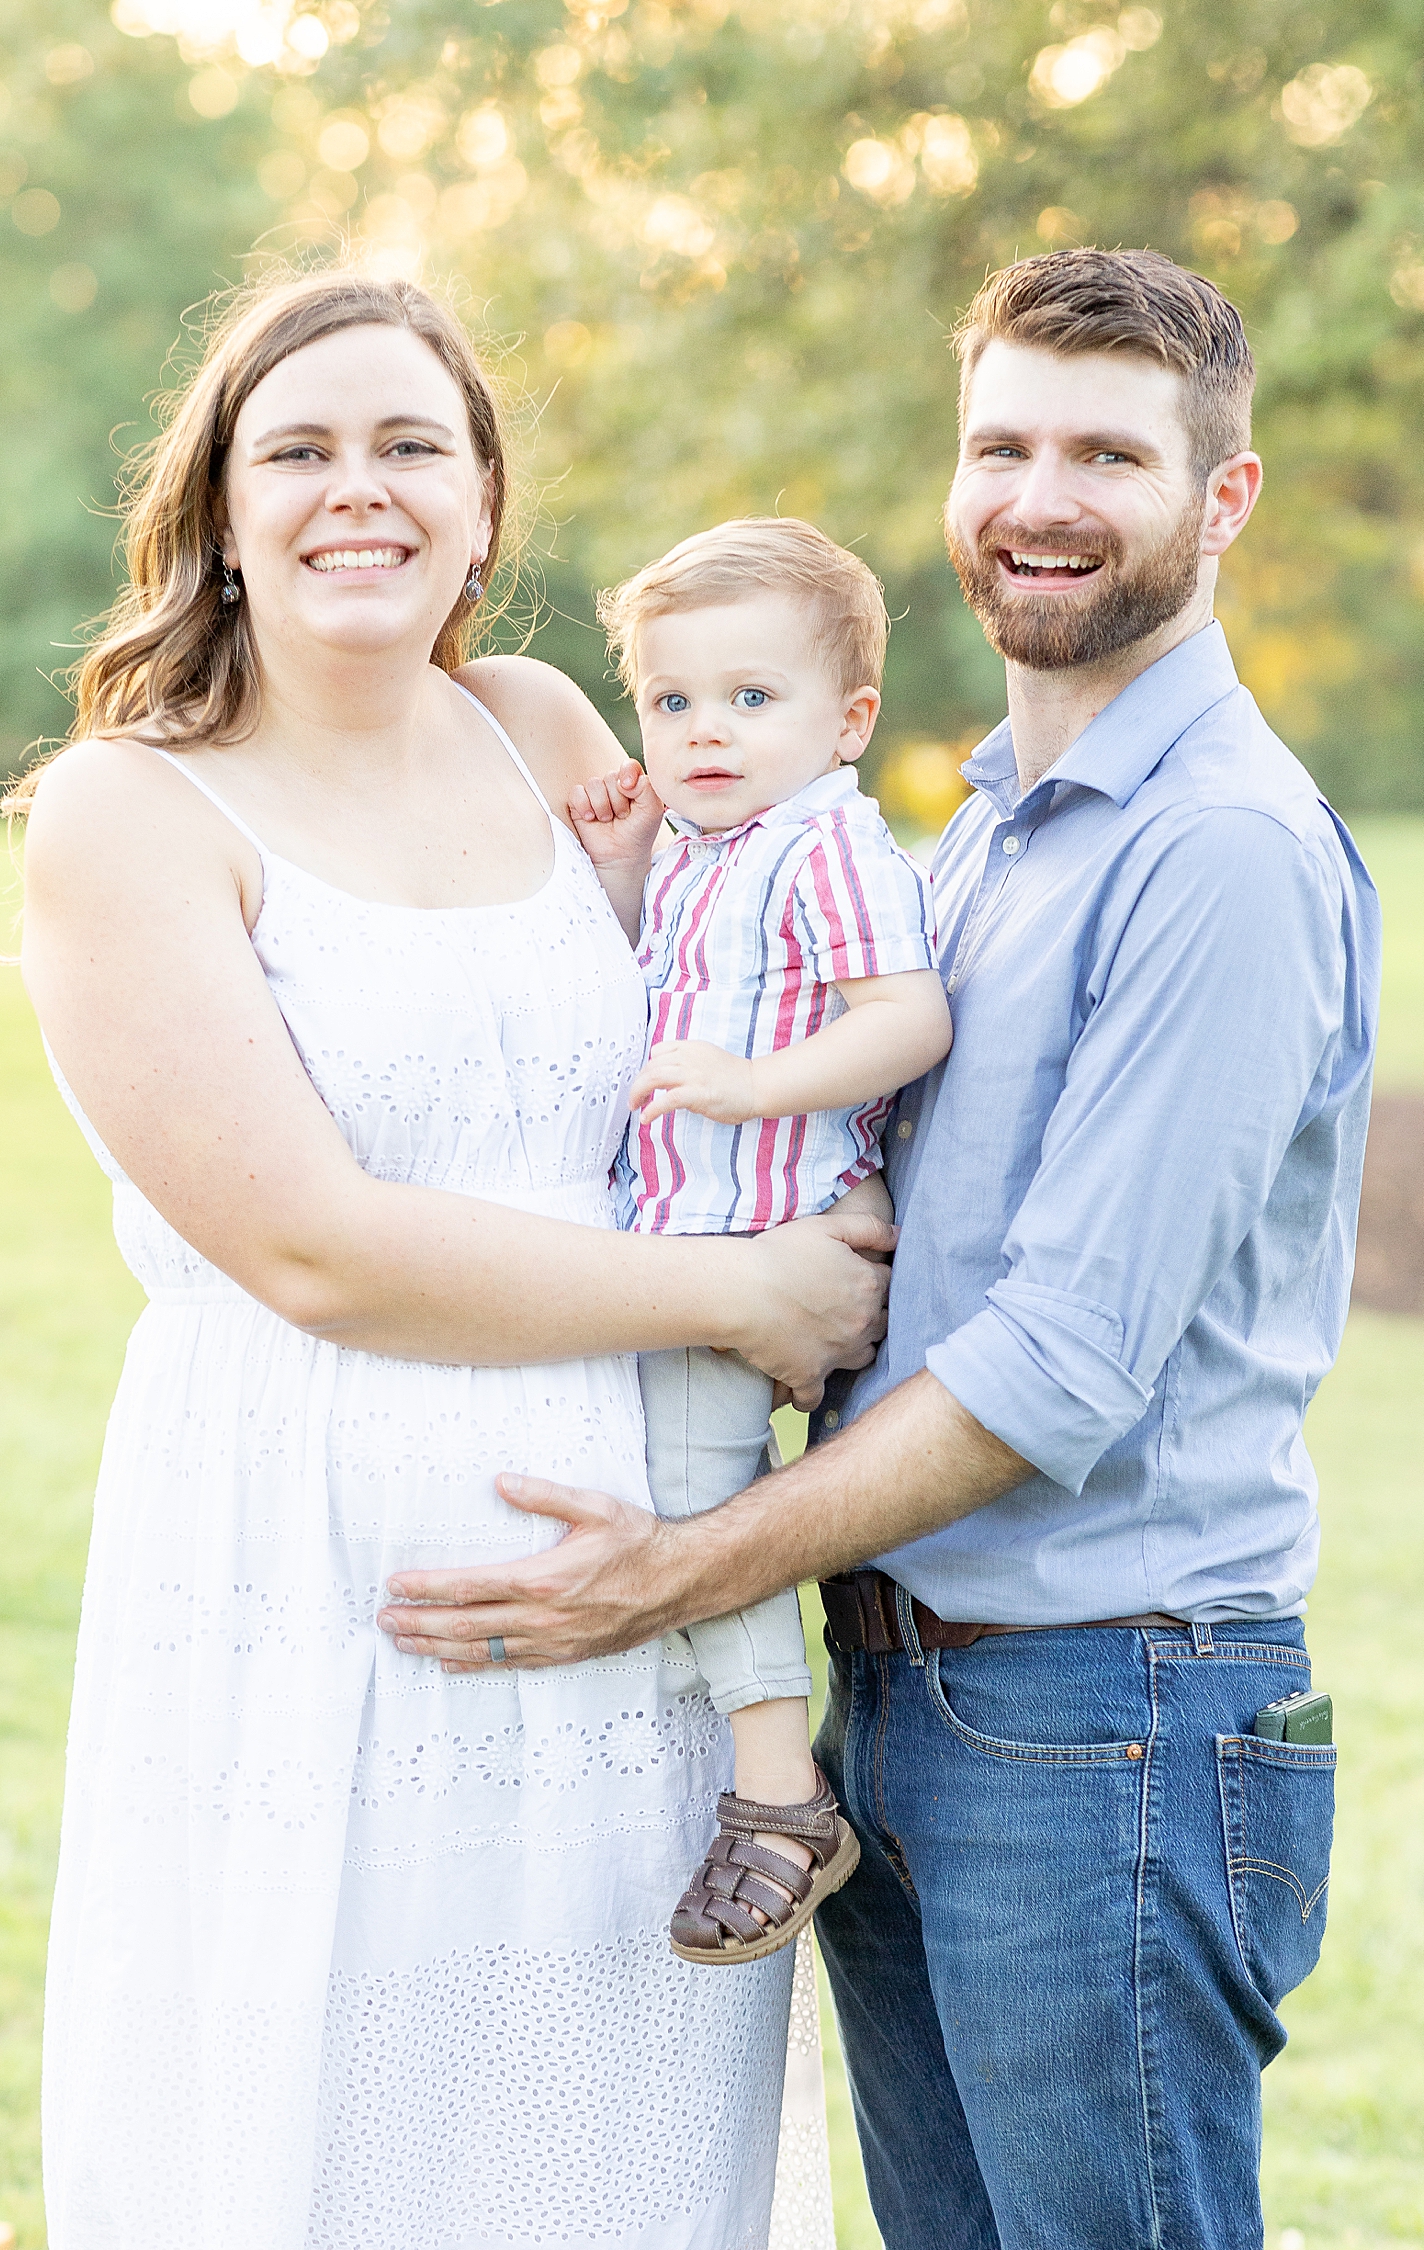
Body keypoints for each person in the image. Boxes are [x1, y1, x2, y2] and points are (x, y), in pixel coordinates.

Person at [379, 248, 1382, 2250]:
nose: (1041, 494)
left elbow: (1066, 1366)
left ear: (1226, 497)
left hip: (1109, 1722)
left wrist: (682, 1570)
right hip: (909, 1701)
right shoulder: (984, 828)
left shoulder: (1221, 856)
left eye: (1109, 451)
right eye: (1001, 441)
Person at [13, 267, 893, 2250]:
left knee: (617, 2138)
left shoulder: (544, 724)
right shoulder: (126, 815)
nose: (362, 491)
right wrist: (742, 1298)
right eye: (300, 451)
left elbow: (727, 997)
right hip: (312, 1582)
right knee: (327, 2140)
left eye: (413, 445)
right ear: (219, 510)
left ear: (485, 505)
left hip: (641, 1579)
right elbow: (313, 1248)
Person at [564, 519, 951, 1962]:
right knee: (675, 1481)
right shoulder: (704, 851)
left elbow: (907, 1018)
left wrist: (753, 1087)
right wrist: (617, 873)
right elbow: (651, 1002)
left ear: (849, 721)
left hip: (758, 1242)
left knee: (690, 1497)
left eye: (749, 698)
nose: (703, 731)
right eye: (671, 702)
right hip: (686, 1244)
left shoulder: (824, 845)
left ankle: (779, 1797)